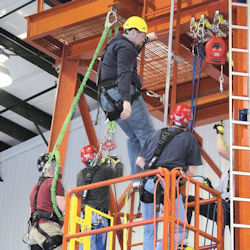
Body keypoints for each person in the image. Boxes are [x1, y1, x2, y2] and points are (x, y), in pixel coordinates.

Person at [136, 104, 202, 250]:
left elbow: (139, 161)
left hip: (147, 184)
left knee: (149, 230)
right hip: (168, 184)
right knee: (180, 229)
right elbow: (190, 172)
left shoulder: (154, 134)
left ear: (172, 118)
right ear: (188, 121)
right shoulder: (189, 139)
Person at [98, 16, 155, 182]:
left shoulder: (116, 43)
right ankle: (151, 175)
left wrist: (145, 40)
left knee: (134, 137)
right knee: (147, 133)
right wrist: (127, 101)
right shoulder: (126, 47)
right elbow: (124, 72)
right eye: (141, 36)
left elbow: (128, 55)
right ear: (132, 32)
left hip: (106, 99)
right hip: (120, 93)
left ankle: (137, 179)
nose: (142, 39)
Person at [77, 145, 123, 250]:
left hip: (83, 216)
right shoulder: (105, 170)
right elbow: (118, 173)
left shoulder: (79, 175)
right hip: (98, 216)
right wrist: (118, 163)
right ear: (96, 156)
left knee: (83, 246)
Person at [186, 120, 230, 228]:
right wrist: (210, 187)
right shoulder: (226, 175)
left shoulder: (244, 169)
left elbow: (222, 150)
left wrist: (219, 133)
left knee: (240, 242)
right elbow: (218, 194)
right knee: (187, 200)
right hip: (222, 209)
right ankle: (182, 240)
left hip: (235, 210)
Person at [28, 153, 65, 250]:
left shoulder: (34, 189)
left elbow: (30, 213)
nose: (59, 166)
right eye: (56, 164)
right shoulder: (54, 183)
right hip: (49, 228)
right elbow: (64, 207)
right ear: (50, 165)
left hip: (34, 233)